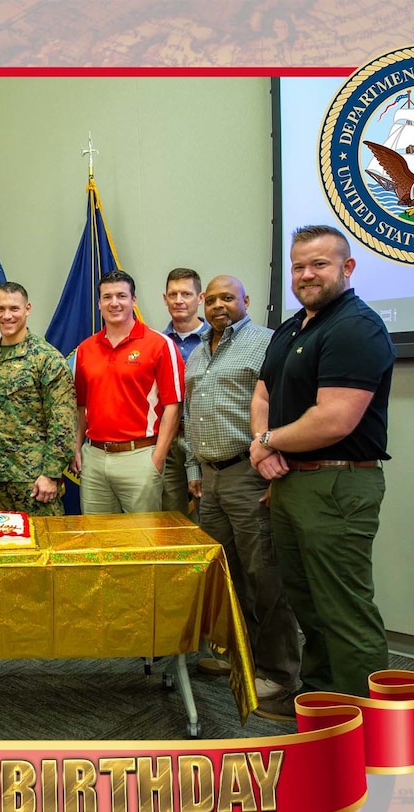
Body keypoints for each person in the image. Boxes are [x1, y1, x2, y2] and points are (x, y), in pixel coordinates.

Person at [251, 225, 394, 712]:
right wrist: (263, 445)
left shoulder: (356, 327)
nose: (306, 274)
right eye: (298, 266)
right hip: (292, 482)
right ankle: (322, 702)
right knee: (307, 605)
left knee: (344, 611)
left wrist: (268, 441)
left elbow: (334, 419)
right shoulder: (294, 327)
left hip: (338, 481)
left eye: (319, 264)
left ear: (347, 267)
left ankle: (370, 724)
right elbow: (264, 392)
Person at [181, 275, 301, 712]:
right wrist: (194, 466)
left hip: (249, 474)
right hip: (210, 479)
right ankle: (239, 657)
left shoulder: (267, 343)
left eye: (226, 298)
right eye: (210, 299)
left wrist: (275, 473)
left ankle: (279, 673)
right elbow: (191, 414)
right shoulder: (196, 353)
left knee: (264, 574)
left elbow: (283, 405)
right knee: (227, 577)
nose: (217, 305)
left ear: (245, 301)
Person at [69, 270, 185, 515]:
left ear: (134, 300)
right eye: (107, 297)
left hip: (140, 456)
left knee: (142, 540)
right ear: (99, 303)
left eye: (121, 296)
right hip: (95, 458)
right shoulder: (85, 350)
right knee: (98, 539)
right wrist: (77, 449)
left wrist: (158, 458)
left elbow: (173, 406)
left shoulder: (160, 345)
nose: (114, 303)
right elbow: (80, 406)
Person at [0, 282, 75, 515]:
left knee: (44, 547)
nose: (7, 316)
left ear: (27, 309)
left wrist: (51, 474)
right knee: (2, 548)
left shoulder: (47, 360)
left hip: (35, 482)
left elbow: (63, 423)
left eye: (14, 309)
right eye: (0, 309)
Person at [160, 268, 209, 518]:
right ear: (165, 299)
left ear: (200, 298)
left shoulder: (216, 339)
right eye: (173, 294)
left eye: (186, 294)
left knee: (207, 514)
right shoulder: (157, 343)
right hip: (168, 438)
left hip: (203, 439)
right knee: (170, 515)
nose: (179, 300)